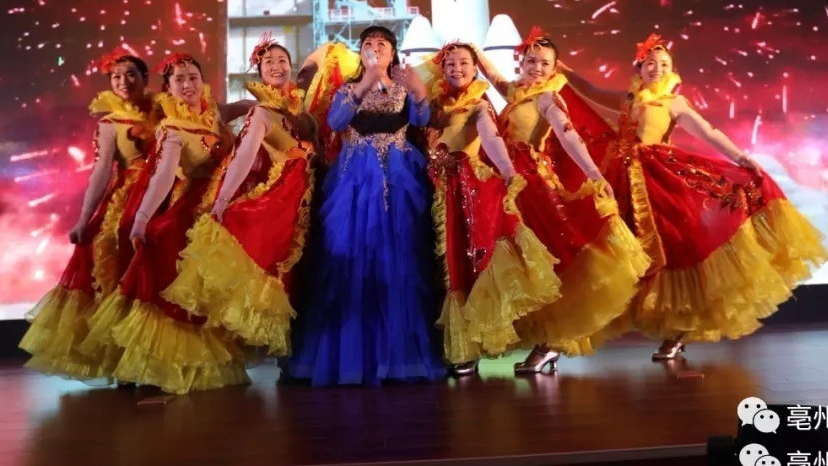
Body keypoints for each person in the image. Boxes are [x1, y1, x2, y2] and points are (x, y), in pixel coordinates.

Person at [560, 33, 828, 360]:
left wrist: (741, 158)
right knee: (624, 252)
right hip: (623, 183)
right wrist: (563, 70)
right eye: (650, 63)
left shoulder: (674, 103)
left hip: (660, 180)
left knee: (677, 248)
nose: (657, 69)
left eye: (664, 64)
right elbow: (590, 91)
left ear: (672, 70)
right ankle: (580, 330)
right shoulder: (629, 99)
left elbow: (708, 132)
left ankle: (680, 331)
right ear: (639, 67)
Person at [472, 27, 651, 375]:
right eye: (531, 61)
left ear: (554, 68)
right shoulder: (517, 92)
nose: (537, 68)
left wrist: (594, 173)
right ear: (521, 63)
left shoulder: (547, 99)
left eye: (545, 63)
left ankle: (551, 343)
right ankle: (541, 341)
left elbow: (569, 137)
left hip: (533, 186)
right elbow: (493, 75)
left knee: (552, 260)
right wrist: (473, 51)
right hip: (510, 184)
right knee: (524, 265)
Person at [282, 26, 447, 386]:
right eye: (368, 44)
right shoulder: (348, 89)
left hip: (399, 176)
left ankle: (399, 354)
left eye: (381, 44)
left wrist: (418, 90)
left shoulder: (403, 87)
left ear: (393, 51)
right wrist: (365, 82)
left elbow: (422, 120)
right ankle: (349, 354)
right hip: (355, 177)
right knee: (351, 255)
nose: (374, 48)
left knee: (399, 256)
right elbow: (336, 121)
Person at [82, 53, 249, 394]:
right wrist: (142, 218)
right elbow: (162, 175)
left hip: (222, 210)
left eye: (193, 77)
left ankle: (205, 362)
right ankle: (162, 365)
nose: (187, 85)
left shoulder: (214, 112)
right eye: (179, 80)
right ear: (168, 88)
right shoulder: (172, 127)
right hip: (189, 212)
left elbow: (245, 106)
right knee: (175, 287)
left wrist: (276, 97)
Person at [163, 36, 316, 357]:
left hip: (312, 192)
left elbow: (315, 65)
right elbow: (244, 155)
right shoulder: (261, 112)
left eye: (282, 60)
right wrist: (222, 201)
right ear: (259, 71)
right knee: (281, 268)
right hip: (284, 197)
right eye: (268, 62)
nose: (276, 66)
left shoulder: (297, 105)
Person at [417, 42, 562, 376]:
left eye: (464, 63)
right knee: (434, 267)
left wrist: (509, 171)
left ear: (474, 69)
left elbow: (493, 138)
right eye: (450, 64)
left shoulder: (480, 104)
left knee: (465, 265)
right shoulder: (435, 104)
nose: (457, 69)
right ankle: (441, 346)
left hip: (465, 190)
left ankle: (469, 347)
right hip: (430, 188)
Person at [20, 49, 159, 382]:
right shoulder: (110, 123)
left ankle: (158, 360)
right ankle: (124, 362)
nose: (123, 81)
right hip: (128, 202)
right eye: (116, 77)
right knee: (123, 275)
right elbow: (101, 171)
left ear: (145, 78)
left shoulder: (165, 112)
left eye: (131, 74)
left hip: (166, 196)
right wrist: (84, 219)